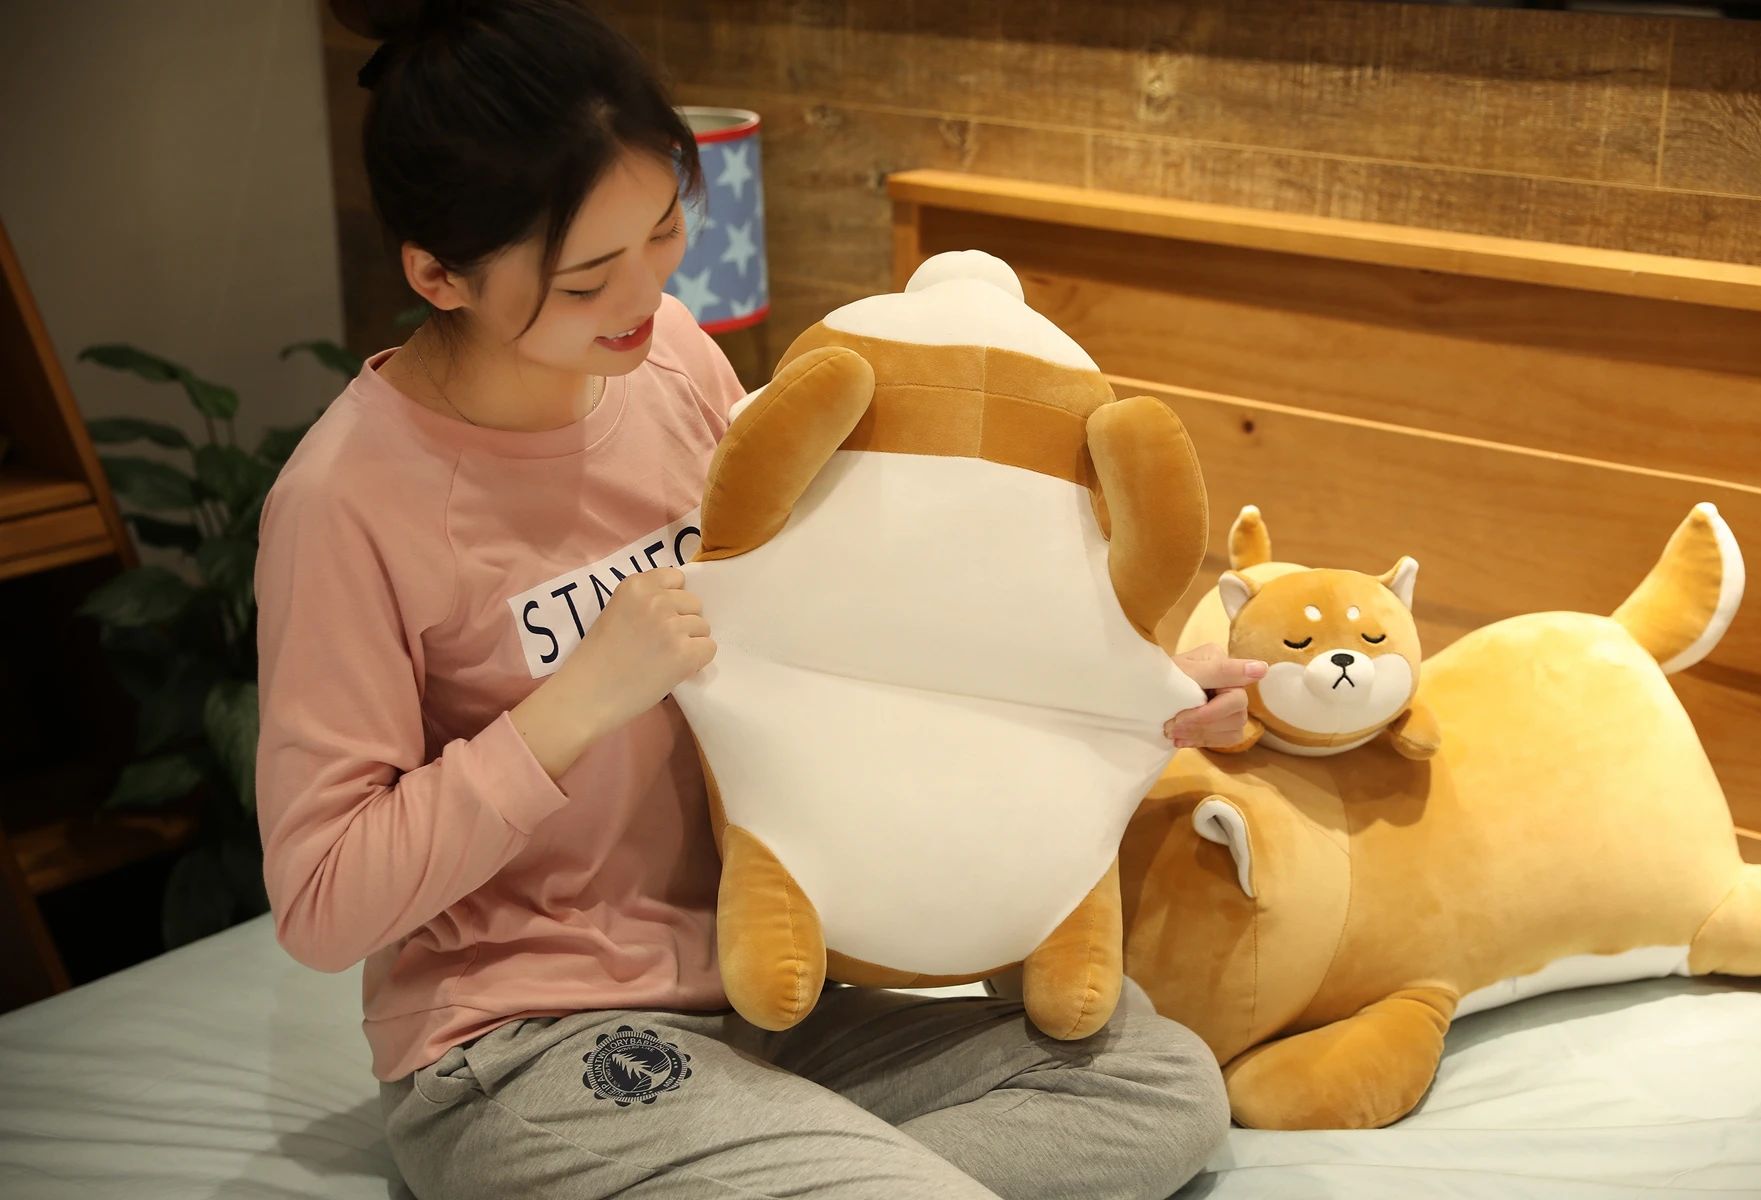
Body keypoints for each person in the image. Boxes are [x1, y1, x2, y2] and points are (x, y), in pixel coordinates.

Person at [256, 3, 1261, 1196]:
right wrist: (571, 706)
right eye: (588, 278)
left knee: (1156, 1084)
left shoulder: (673, 360)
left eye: (664, 230)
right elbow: (322, 903)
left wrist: (1124, 690)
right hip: (534, 1041)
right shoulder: (345, 501)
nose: (644, 293)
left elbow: (850, 623)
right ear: (437, 274)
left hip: (768, 984)